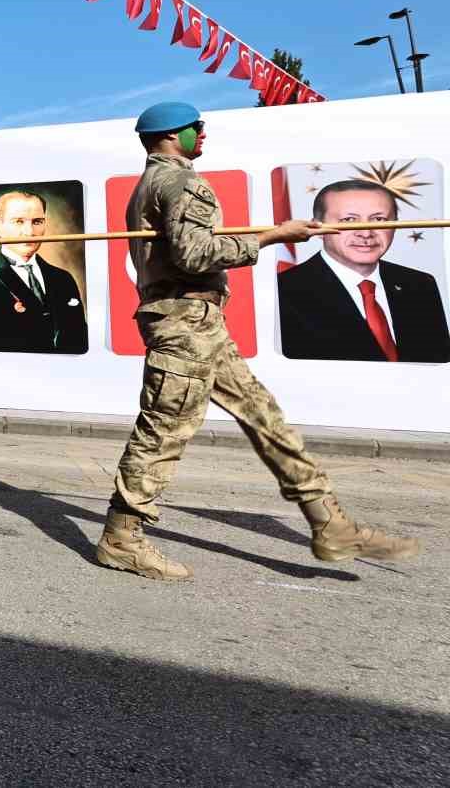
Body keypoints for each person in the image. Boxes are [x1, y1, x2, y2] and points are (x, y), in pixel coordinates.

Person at [96, 102, 420, 582]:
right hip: (183, 326)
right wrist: (274, 236)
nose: (201, 133)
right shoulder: (182, 182)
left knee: (264, 416)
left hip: (199, 323)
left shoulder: (155, 182)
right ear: (170, 135)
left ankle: (328, 522)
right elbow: (195, 254)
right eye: (194, 128)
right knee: (163, 432)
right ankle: (121, 538)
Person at [277, 179, 450, 363]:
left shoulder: (420, 284)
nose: (366, 233)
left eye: (379, 219)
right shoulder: (284, 291)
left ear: (395, 225)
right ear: (316, 229)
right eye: (349, 220)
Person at [0, 190, 89, 354]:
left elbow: (80, 340)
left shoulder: (63, 279)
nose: (29, 232)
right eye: (18, 221)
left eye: (37, 222)